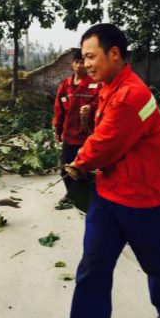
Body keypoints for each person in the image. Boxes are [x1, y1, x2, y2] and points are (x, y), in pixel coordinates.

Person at [67, 24, 160, 318]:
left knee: (157, 263)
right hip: (108, 196)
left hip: (144, 200)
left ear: (114, 53)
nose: (86, 64)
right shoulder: (108, 88)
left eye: (91, 57)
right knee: (92, 270)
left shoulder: (132, 94)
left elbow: (104, 145)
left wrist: (77, 162)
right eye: (84, 58)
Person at [53, 50, 102, 204]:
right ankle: (71, 194)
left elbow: (101, 102)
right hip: (69, 135)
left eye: (82, 62)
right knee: (65, 169)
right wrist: (57, 129)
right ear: (72, 63)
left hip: (86, 136)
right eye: (77, 62)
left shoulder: (95, 85)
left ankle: (86, 197)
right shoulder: (65, 85)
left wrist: (91, 108)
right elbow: (59, 108)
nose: (80, 65)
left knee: (84, 170)